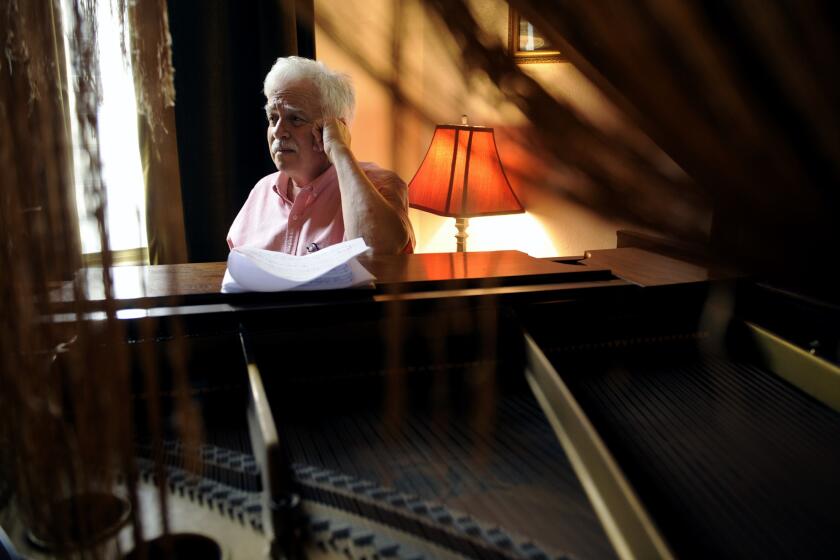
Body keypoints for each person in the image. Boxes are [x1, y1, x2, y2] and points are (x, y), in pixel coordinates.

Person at [227, 56, 414, 255]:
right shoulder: (262, 191)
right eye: (273, 118)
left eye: (295, 119)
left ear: (333, 128)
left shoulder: (381, 185)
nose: (278, 131)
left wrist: (340, 150)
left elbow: (377, 253)